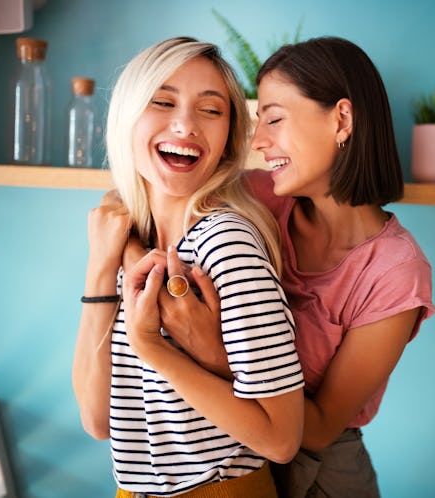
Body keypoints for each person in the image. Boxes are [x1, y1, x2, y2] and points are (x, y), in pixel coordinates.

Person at [71, 36, 304, 498]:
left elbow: (281, 439)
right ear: (126, 116)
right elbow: (98, 421)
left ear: (227, 139)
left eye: (211, 110)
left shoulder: (226, 244)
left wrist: (150, 345)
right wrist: (101, 269)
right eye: (162, 101)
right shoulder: (128, 244)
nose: (185, 125)